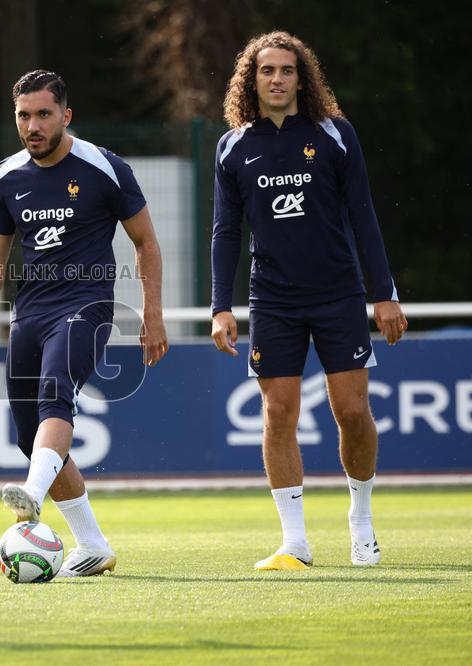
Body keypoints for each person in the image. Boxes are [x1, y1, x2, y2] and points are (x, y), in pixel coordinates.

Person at [210, 31, 408, 571]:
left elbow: (363, 216)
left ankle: (360, 521)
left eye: (287, 70)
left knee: (351, 411)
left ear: (303, 77)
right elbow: (226, 232)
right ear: (251, 80)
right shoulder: (234, 145)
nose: (277, 79)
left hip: (338, 294)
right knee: (278, 414)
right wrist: (219, 306)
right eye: (266, 71)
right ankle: (294, 542)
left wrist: (383, 294)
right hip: (272, 300)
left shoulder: (334, 134)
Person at [0, 70, 168, 577]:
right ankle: (93, 545)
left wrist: (153, 312)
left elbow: (145, 242)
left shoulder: (104, 167)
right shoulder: (6, 177)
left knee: (57, 391)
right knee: (28, 437)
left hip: (88, 306)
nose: (32, 126)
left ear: (66, 115)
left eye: (43, 115)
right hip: (29, 314)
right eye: (23, 116)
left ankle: (30, 498)